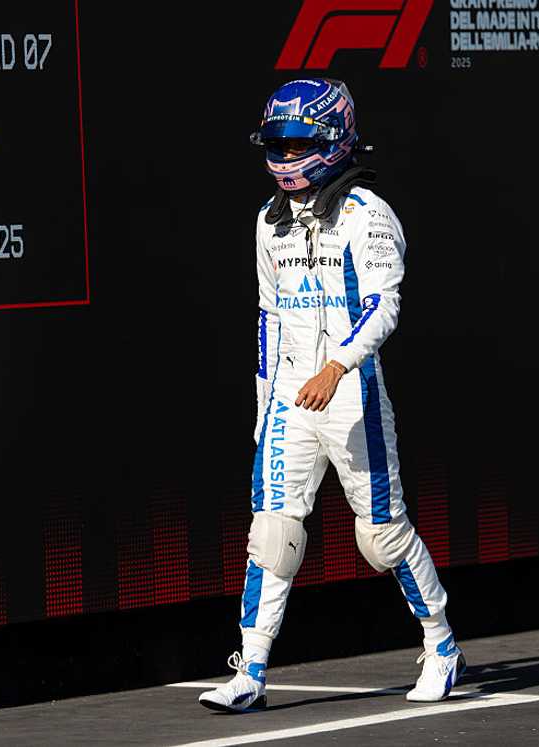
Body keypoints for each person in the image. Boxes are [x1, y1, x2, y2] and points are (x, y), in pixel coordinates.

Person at [198, 79, 463, 713]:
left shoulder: (367, 214)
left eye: (297, 143)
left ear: (333, 139)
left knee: (381, 536)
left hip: (352, 396)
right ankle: (251, 671)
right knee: (273, 533)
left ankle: (441, 645)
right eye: (277, 143)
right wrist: (265, 405)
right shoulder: (268, 222)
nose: (285, 156)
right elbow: (268, 318)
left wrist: (337, 367)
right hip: (289, 400)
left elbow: (384, 306)